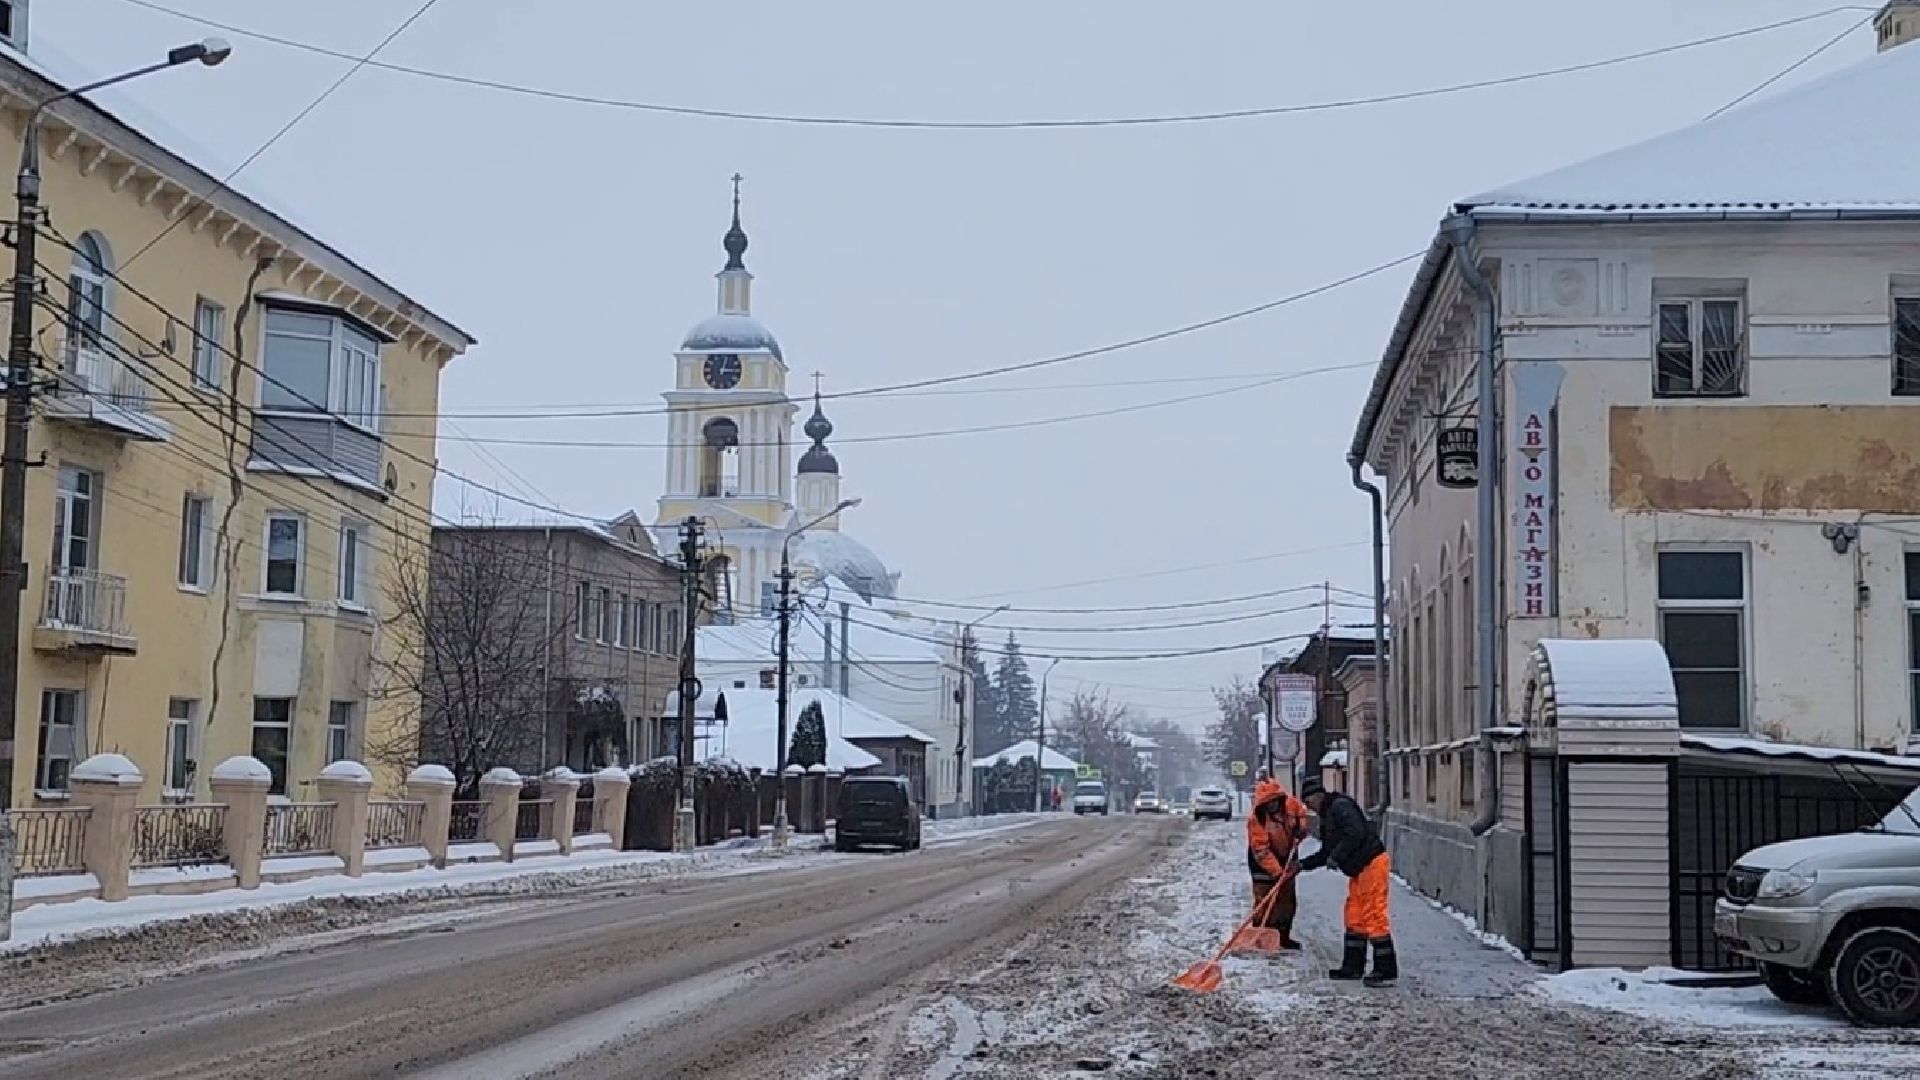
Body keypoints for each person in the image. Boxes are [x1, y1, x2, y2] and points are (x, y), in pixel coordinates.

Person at [1297, 776, 1396, 986]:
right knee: (1354, 916)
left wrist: (1337, 856)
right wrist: (1302, 865)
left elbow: (1356, 833)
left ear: (1318, 796)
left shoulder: (1340, 806)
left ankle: (1385, 969)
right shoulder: (1327, 816)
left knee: (1374, 914)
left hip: (1372, 862)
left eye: (1309, 802)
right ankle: (1353, 966)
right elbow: (1327, 852)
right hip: (1359, 869)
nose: (1309, 807)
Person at [1245, 777, 1309, 950]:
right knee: (1265, 899)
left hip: (1287, 856)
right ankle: (1260, 935)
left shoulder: (1290, 805)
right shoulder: (1256, 820)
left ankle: (1283, 936)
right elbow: (1261, 851)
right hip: (1262, 862)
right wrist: (1277, 872)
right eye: (1268, 803)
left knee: (1287, 901)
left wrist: (1302, 827)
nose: (1272, 806)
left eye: (1274, 801)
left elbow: (1301, 812)